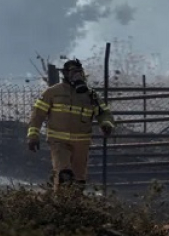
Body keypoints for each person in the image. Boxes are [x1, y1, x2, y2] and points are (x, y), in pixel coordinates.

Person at [27, 59, 114, 192]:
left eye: (79, 72)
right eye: (73, 72)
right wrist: (33, 135)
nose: (77, 75)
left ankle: (74, 208)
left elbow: (103, 113)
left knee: (79, 181)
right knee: (64, 175)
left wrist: (106, 124)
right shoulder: (53, 92)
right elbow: (38, 114)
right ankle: (60, 206)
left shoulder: (90, 95)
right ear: (66, 74)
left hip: (82, 143)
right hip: (59, 141)